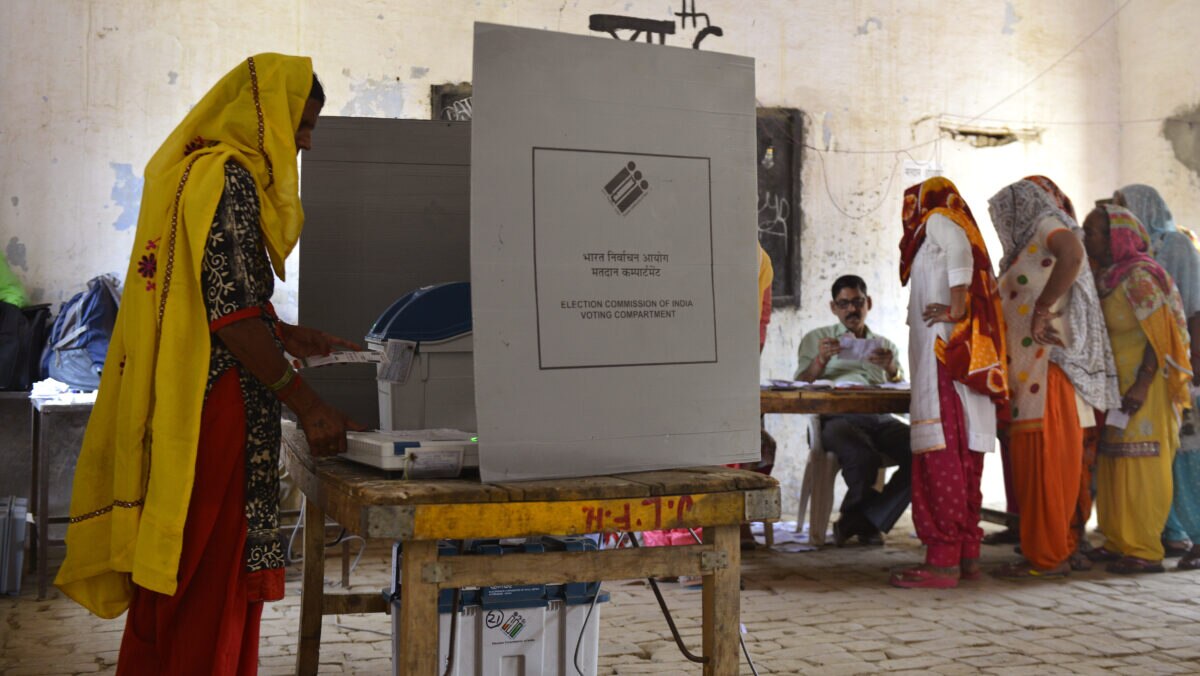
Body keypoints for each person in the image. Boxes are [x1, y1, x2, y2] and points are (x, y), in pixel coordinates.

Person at [55, 54, 361, 674]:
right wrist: (310, 406)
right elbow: (231, 318)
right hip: (215, 415)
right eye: (300, 124)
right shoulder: (229, 180)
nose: (305, 141)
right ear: (262, 117)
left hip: (184, 403)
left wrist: (290, 335)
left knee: (172, 579)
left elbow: (210, 299)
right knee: (210, 581)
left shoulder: (189, 175)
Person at [986, 179, 1120, 578]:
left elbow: (1073, 252)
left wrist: (1043, 308)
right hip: (1029, 375)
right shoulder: (1025, 245)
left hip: (1049, 372)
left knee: (1047, 465)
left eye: (1006, 213)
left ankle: (1049, 557)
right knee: (1033, 468)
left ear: (1022, 205)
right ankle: (1043, 551)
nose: (1003, 223)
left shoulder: (1046, 223)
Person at [893, 177, 1009, 589]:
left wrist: (957, 304)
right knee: (962, 459)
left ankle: (942, 561)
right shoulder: (941, 229)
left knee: (942, 456)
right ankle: (965, 556)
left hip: (944, 361)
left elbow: (958, 249)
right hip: (955, 363)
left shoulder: (940, 218)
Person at [1082, 203, 1192, 574]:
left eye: (1092, 232)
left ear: (1117, 236)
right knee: (1114, 462)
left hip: (1146, 385)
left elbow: (1161, 335)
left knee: (1143, 462)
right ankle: (1117, 541)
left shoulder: (1140, 277)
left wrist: (1143, 383)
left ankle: (1145, 549)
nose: (1086, 239)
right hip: (1116, 385)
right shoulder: (1108, 276)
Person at [1115, 184, 1200, 567]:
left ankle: (1193, 535)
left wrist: (1193, 367)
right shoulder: (1134, 258)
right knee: (1164, 456)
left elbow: (1194, 309)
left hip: (1180, 364)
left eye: (1124, 207)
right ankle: (1169, 533)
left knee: (1187, 452)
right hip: (1156, 362)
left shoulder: (1175, 246)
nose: (1121, 216)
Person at [794, 275, 910, 546]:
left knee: (925, 452)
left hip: (878, 418)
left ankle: (860, 519)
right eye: (843, 304)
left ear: (867, 303)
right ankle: (866, 520)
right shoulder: (816, 339)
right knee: (862, 455)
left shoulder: (884, 346)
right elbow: (798, 386)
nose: (851, 310)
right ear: (834, 308)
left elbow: (901, 389)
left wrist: (891, 369)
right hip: (834, 420)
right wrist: (820, 360)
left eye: (857, 302)